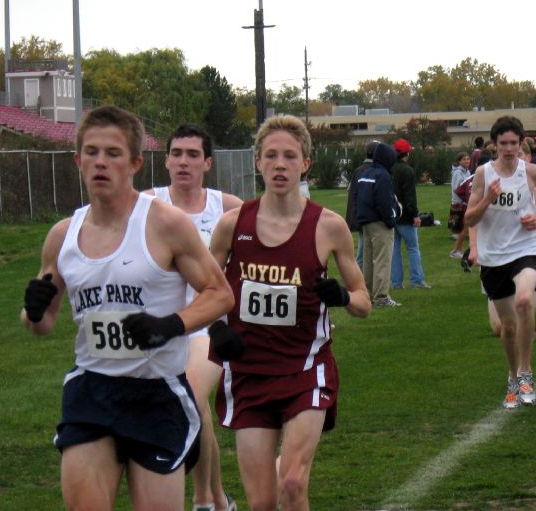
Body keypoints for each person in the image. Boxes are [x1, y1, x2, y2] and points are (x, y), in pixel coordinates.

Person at [20, 105, 234, 511]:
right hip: (92, 391)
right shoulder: (62, 235)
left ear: (135, 162)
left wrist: (170, 325)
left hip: (156, 395)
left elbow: (219, 293)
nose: (101, 162)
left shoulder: (165, 224)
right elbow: (43, 324)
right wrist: (33, 312)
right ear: (78, 160)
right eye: (92, 152)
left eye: (113, 153)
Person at [208, 114, 371, 511]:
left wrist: (342, 297)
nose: (280, 164)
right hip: (248, 373)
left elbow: (363, 300)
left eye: (290, 156)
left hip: (305, 370)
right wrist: (215, 328)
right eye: (271, 156)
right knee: (262, 502)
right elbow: (205, 291)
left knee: (294, 484)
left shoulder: (329, 227)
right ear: (258, 162)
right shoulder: (232, 225)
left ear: (305, 164)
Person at [145, 123, 242, 511]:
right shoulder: (147, 205)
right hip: (160, 327)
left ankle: (203, 500)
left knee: (192, 395)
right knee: (189, 406)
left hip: (208, 328)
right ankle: (218, 499)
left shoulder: (229, 208)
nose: (184, 162)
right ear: (166, 160)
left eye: (192, 155)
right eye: (177, 154)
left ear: (208, 163)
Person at [465, 116, 536, 409]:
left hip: (525, 248)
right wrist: (487, 199)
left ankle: (527, 372)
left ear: (521, 144)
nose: (508, 149)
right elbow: (469, 219)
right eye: (503, 143)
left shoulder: (531, 172)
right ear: (494, 144)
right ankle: (512, 375)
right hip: (494, 256)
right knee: (506, 327)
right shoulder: (482, 175)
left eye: (514, 143)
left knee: (523, 301)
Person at [356, 141, 402, 307]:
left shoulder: (365, 173)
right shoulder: (383, 175)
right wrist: (391, 219)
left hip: (365, 222)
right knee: (382, 260)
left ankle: (367, 293)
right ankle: (381, 297)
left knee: (368, 261)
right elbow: (384, 202)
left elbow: (357, 198)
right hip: (380, 222)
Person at [390, 138, 430, 289]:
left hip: (391, 215)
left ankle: (396, 283)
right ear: (406, 154)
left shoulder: (388, 168)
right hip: (406, 216)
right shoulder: (407, 171)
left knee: (394, 251)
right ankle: (417, 281)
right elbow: (409, 196)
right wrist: (415, 214)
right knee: (412, 248)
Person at [345, 141, 380, 270]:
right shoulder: (371, 170)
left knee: (364, 249)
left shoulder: (359, 170)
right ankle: (357, 278)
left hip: (359, 214)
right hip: (365, 216)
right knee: (363, 252)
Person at [449, 152, 472, 258]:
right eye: (464, 159)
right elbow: (457, 188)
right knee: (462, 228)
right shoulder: (458, 173)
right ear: (459, 161)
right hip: (459, 204)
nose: (467, 161)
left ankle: (459, 249)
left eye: (468, 159)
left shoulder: (467, 172)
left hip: (464, 203)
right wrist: (464, 200)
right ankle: (455, 251)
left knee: (465, 227)